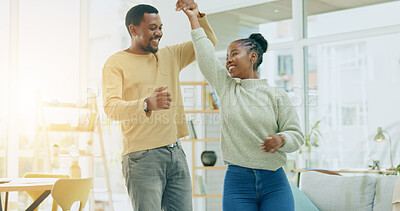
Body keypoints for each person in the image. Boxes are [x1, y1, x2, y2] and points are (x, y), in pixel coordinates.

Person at [181, 5, 304, 211]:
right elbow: (205, 57)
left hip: (274, 181)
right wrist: (194, 18)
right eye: (228, 55)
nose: (228, 59)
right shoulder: (227, 88)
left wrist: (281, 139)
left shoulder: (276, 95)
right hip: (238, 182)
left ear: (253, 56)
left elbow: (296, 136)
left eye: (235, 53)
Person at [101, 2, 217, 210]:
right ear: (133, 29)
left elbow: (208, 43)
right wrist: (146, 104)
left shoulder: (170, 55)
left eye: (161, 28)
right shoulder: (116, 62)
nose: (159, 33)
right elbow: (111, 107)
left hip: (176, 152)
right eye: (152, 28)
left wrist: (194, 16)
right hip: (142, 157)